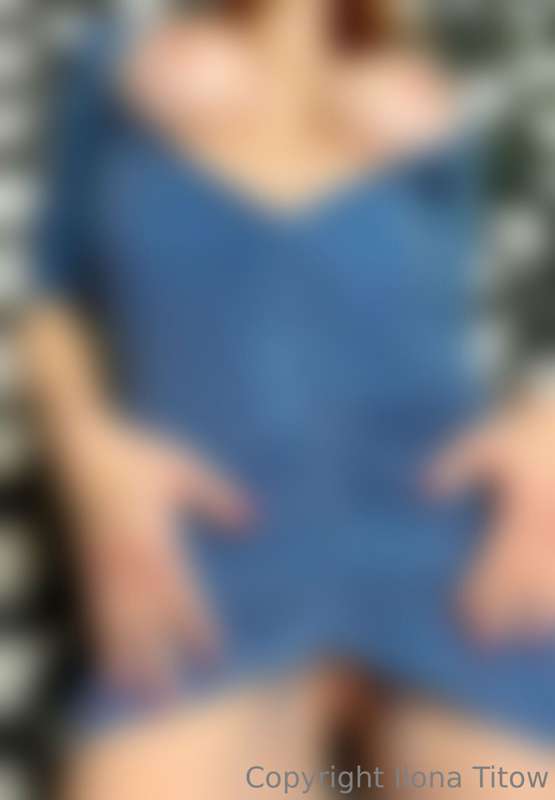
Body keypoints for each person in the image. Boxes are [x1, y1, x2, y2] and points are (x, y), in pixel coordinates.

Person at [26, 1, 555, 797]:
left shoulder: (458, 76)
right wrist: (89, 452)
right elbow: (51, 297)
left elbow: (514, 301)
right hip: (207, 556)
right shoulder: (114, 59)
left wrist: (545, 429)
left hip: (443, 546)